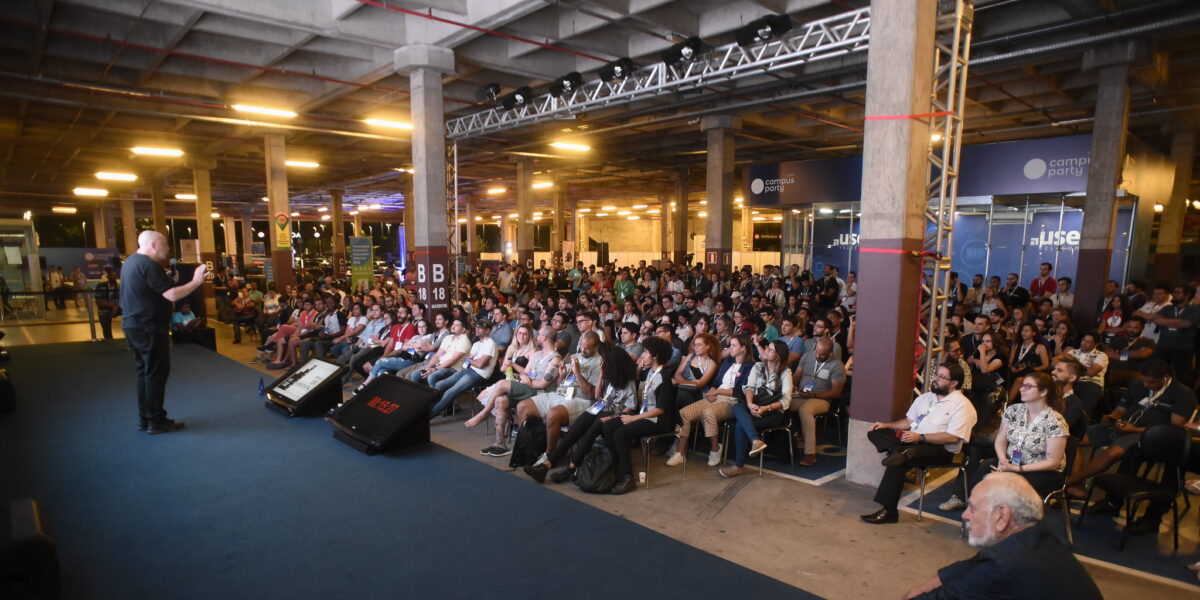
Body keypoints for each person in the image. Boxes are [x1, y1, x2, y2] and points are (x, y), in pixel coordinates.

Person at [902, 472, 1102, 600]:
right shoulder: (1038, 535)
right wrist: (933, 581)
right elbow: (973, 565)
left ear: (1002, 516)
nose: (965, 515)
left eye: (973, 507)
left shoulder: (1004, 564)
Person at [860, 363, 977, 524]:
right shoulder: (925, 397)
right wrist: (886, 425)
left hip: (939, 450)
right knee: (875, 431)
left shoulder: (963, 405)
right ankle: (899, 451)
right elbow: (908, 421)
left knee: (900, 462)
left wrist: (920, 437)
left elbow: (953, 438)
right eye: (936, 374)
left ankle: (889, 511)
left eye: (941, 377)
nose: (935, 379)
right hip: (912, 441)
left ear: (954, 383)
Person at [1065, 359, 1197, 499]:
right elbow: (1120, 409)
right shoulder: (1137, 386)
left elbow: (1172, 429)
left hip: (1147, 435)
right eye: (1144, 380)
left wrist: (1134, 430)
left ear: (1165, 378)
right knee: (1072, 438)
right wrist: (1111, 418)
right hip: (1121, 427)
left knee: (1113, 453)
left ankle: (1066, 483)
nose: (1146, 385)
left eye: (1151, 382)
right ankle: (1076, 482)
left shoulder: (1183, 394)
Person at [119, 230, 208, 434]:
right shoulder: (149, 265)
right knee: (156, 374)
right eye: (165, 245)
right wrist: (195, 281)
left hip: (134, 325)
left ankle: (146, 418)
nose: (168, 250)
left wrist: (168, 279)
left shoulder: (132, 262)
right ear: (153, 246)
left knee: (145, 373)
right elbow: (171, 295)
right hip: (149, 327)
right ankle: (156, 420)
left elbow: (152, 289)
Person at [524, 344, 639, 484]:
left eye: (604, 362)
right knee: (575, 431)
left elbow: (631, 406)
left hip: (613, 412)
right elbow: (597, 396)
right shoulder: (608, 375)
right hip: (598, 407)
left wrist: (615, 416)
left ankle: (571, 468)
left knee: (591, 431)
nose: (602, 363)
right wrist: (602, 375)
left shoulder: (629, 381)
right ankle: (546, 466)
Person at [472, 325, 563, 457]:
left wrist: (528, 379)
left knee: (502, 384)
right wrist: (525, 376)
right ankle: (500, 444)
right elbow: (525, 373)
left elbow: (543, 384)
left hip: (542, 394)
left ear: (543, 338)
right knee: (500, 401)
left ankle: (484, 413)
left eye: (539, 335)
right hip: (529, 388)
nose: (537, 337)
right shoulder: (537, 354)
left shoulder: (555, 359)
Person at [666, 334, 754, 468]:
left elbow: (741, 390)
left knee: (708, 412)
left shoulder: (750, 366)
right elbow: (717, 381)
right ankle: (680, 453)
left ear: (743, 348)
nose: (730, 348)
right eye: (730, 345)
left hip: (732, 401)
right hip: (716, 395)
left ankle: (715, 449)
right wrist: (713, 390)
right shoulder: (728, 362)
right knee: (684, 413)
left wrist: (717, 391)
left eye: (734, 345)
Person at [605, 336, 676, 494]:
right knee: (608, 426)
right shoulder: (650, 372)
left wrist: (634, 418)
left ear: (655, 356)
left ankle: (628, 477)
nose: (643, 355)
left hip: (658, 420)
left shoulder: (664, 377)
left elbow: (661, 409)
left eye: (645, 352)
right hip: (646, 414)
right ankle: (617, 465)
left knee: (620, 432)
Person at [516, 331, 602, 456]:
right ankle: (526, 447)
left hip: (580, 400)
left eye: (587, 348)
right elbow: (560, 384)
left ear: (596, 347)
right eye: (582, 346)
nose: (583, 350)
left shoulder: (599, 363)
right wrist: (561, 375)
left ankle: (549, 456)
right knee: (522, 406)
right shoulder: (575, 356)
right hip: (561, 394)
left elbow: (590, 394)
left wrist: (577, 373)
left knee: (553, 414)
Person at [718, 339, 794, 477]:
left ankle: (739, 465)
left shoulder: (785, 372)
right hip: (755, 405)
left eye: (771, 350)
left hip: (773, 411)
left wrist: (766, 408)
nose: (766, 350)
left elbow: (786, 400)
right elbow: (749, 388)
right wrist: (749, 404)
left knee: (741, 425)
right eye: (767, 347)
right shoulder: (758, 366)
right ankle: (756, 441)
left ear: (778, 355)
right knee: (737, 406)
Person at [425, 319, 498, 419]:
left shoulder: (490, 343)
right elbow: (467, 362)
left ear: (488, 330)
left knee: (450, 392)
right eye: (476, 327)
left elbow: (480, 365)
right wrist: (473, 361)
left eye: (480, 327)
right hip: (468, 371)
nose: (476, 329)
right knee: (439, 385)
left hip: (479, 374)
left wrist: (472, 360)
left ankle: (427, 416)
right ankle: (431, 409)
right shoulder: (476, 344)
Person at [791, 337, 847, 466]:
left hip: (822, 399)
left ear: (830, 353)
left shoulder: (837, 365)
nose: (818, 356)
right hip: (801, 395)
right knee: (781, 403)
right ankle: (781, 443)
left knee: (806, 410)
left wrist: (815, 394)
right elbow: (796, 377)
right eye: (817, 352)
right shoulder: (807, 357)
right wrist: (793, 389)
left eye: (822, 354)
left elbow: (836, 392)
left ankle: (810, 454)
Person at [94, 268, 120, 340]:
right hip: (104, 310)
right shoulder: (100, 286)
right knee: (106, 328)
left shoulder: (119, 287)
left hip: (118, 308)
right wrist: (113, 306)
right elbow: (98, 302)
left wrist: (116, 306)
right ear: (108, 277)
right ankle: (109, 341)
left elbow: (124, 300)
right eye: (111, 275)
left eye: (115, 276)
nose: (113, 277)